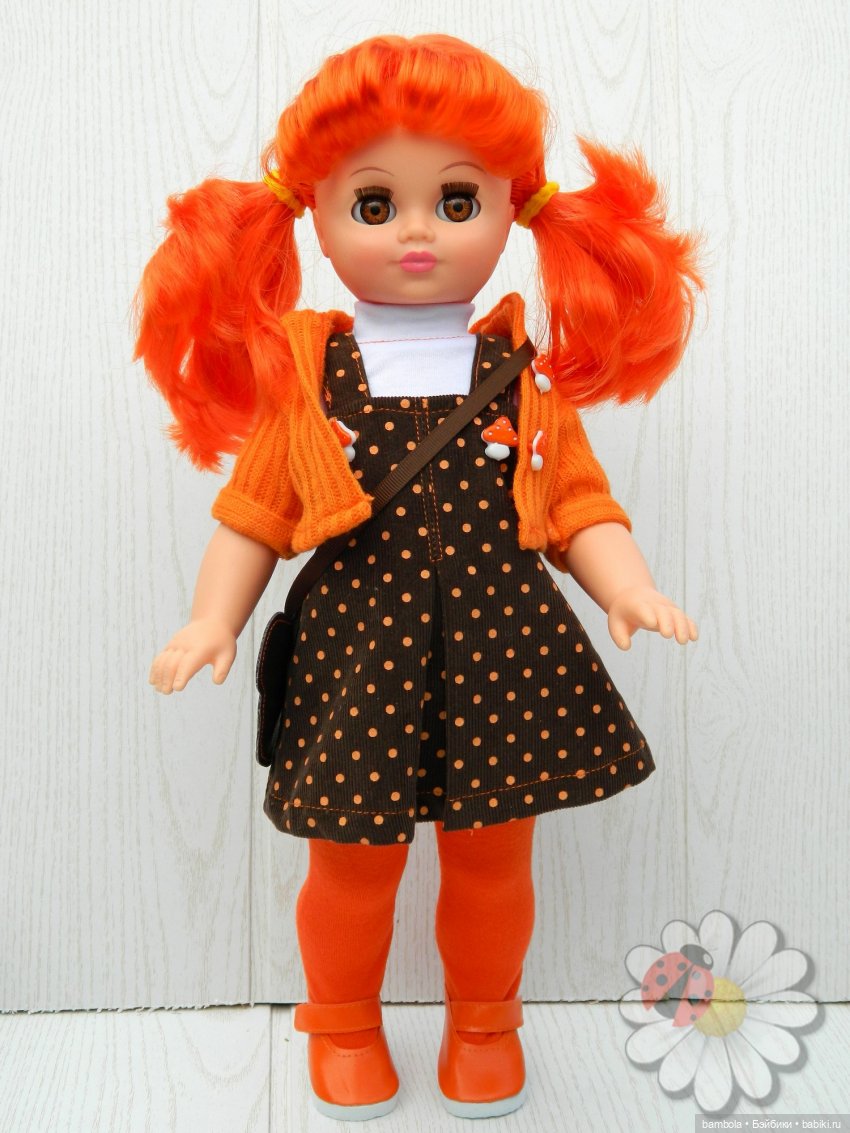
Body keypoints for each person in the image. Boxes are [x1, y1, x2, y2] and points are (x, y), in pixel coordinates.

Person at [133, 32, 703, 1122]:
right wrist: (212, 619)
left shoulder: (520, 375)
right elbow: (253, 514)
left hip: (505, 649)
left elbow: (579, 503)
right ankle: (343, 1025)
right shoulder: (309, 378)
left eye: (455, 201)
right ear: (312, 214)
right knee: (353, 865)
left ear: (511, 207)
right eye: (373, 202)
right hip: (358, 653)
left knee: (492, 864)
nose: (414, 231)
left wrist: (626, 586)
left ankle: (485, 1024)